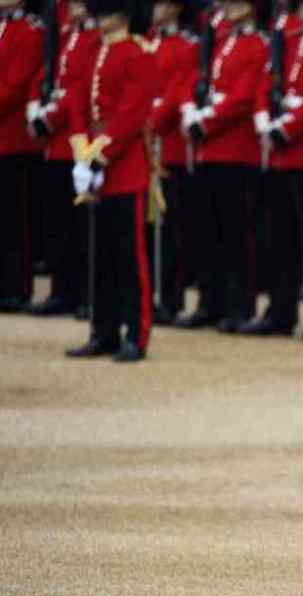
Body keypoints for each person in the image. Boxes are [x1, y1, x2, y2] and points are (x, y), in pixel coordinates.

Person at [65, 0, 158, 362]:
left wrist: (98, 154)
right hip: (92, 159)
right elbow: (76, 104)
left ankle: (136, 333)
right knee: (100, 255)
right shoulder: (90, 49)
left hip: (125, 166)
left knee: (129, 257)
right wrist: (79, 151)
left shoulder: (138, 53)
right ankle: (102, 331)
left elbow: (131, 113)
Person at [244, 0, 303, 339]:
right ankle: (281, 312)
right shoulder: (290, 41)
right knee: (280, 240)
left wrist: (285, 129)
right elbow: (266, 84)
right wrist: (265, 122)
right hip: (279, 153)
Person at [177, 0, 268, 333]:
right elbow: (195, 77)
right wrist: (188, 107)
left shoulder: (257, 44)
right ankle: (209, 301)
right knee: (206, 230)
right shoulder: (219, 39)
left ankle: (239, 304)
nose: (229, 8)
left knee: (237, 233)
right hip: (207, 147)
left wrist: (206, 120)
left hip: (236, 149)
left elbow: (243, 97)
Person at [26, 0, 99, 319]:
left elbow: (80, 88)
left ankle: (85, 292)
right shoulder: (66, 34)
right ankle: (62, 289)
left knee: (80, 225)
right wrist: (35, 106)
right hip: (55, 142)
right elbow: (45, 72)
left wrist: (51, 115)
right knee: (57, 221)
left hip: (77, 138)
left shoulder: (94, 38)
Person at [145, 0, 199, 326]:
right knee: (148, 227)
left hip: (168, 146)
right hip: (142, 145)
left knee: (172, 227)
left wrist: (151, 122)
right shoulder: (147, 43)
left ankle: (170, 297)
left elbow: (179, 91)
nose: (157, 10)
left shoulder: (185, 47)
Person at [0, 0, 44, 314]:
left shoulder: (28, 32)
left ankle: (16, 288)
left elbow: (15, 85)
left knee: (14, 218)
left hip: (12, 138)